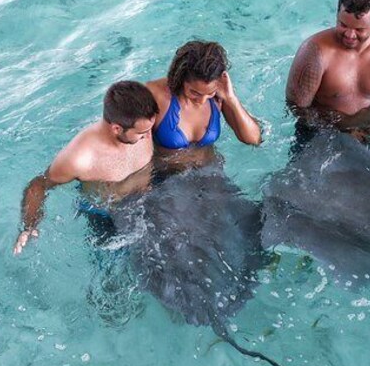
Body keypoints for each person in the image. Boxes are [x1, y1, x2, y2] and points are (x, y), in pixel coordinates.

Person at [13, 81, 159, 255]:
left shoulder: (141, 125)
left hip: (148, 198)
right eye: (142, 132)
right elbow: (38, 185)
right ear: (117, 129)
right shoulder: (80, 159)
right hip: (106, 217)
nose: (150, 135)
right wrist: (29, 226)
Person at [286, 0, 370, 143]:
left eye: (359, 30)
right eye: (343, 25)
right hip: (317, 136)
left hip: (363, 134)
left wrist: (369, 131)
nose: (349, 35)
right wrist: (341, 135)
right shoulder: (314, 52)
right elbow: (297, 107)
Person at [146, 41, 261, 165]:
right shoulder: (154, 95)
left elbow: (254, 139)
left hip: (210, 171)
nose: (202, 101)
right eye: (195, 93)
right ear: (180, 79)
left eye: (210, 93)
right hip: (167, 177)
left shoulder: (219, 96)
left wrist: (231, 99)